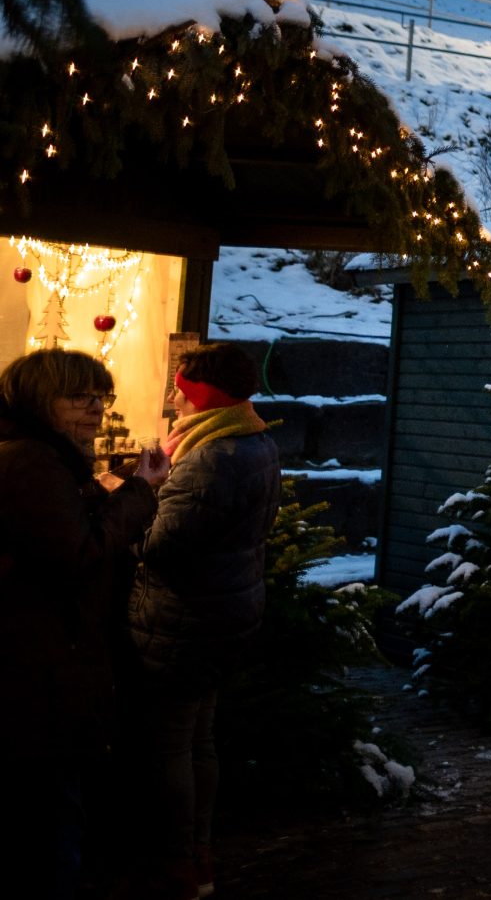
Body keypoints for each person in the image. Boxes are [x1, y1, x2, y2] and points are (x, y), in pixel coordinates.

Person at [0, 348, 169, 898]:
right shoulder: (31, 460)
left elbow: (51, 526)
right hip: (40, 674)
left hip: (36, 666)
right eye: (79, 396)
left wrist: (107, 488)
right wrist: (141, 493)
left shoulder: (37, 457)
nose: (95, 408)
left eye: (101, 395)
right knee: (49, 822)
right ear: (38, 399)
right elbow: (79, 554)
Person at [125, 340, 282, 900]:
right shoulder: (251, 438)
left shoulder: (210, 456)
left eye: (180, 385)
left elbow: (160, 547)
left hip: (184, 620)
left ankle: (177, 865)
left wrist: (135, 499)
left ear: (200, 395)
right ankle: (200, 852)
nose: (172, 394)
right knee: (199, 738)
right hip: (227, 611)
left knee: (170, 744)